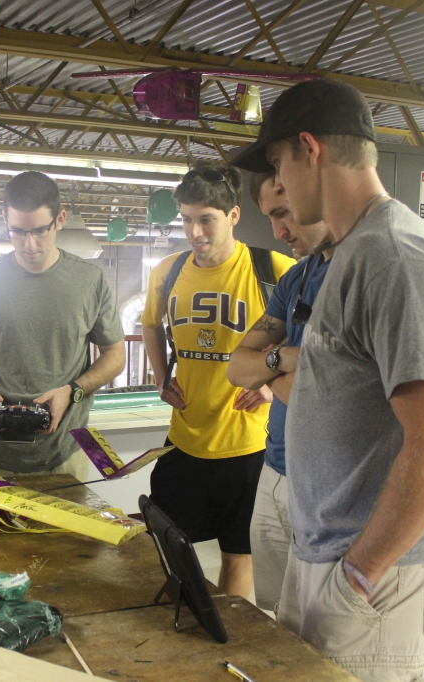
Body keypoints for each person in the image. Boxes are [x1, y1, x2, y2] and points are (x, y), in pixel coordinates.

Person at [231, 79, 424, 681]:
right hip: (328, 551)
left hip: (371, 572)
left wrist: (358, 575)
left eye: (279, 163)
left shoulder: (393, 254)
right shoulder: (349, 252)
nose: (279, 184)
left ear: (308, 149)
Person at [141, 160, 293, 599]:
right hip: (185, 436)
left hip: (248, 443)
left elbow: (310, 342)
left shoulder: (274, 270)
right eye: (186, 220)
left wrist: (268, 385)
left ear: (233, 216)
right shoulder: (167, 273)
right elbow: (150, 324)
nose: (194, 233)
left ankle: (228, 640)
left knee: (237, 554)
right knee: (171, 550)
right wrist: (159, 374)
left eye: (206, 220)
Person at [0, 171, 125, 479]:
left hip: (63, 457)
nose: (28, 244)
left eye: (39, 231)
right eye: (16, 231)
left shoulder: (89, 280)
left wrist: (73, 391)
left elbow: (115, 354)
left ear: (60, 219)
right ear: (4, 217)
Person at [226, 171, 334, 613]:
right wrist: (285, 360)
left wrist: (266, 368)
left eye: (284, 213)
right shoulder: (297, 278)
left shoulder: (364, 273)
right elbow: (237, 365)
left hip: (328, 486)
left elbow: (329, 396)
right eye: (270, 217)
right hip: (275, 470)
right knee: (280, 620)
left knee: (322, 627)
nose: (278, 232)